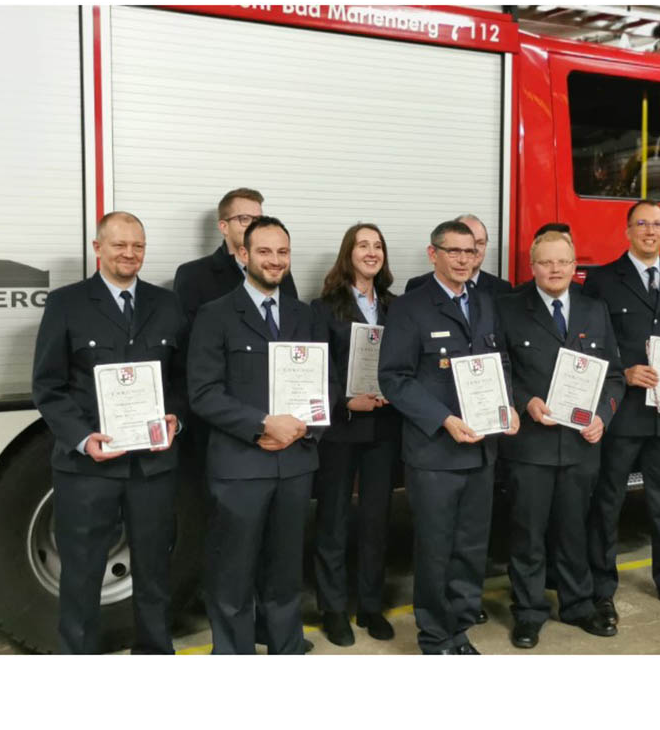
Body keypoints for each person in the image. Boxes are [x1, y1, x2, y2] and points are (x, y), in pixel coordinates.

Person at [31, 211, 185, 654]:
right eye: (119, 245)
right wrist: (82, 438)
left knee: (154, 570)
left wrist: (176, 416)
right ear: (98, 248)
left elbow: (183, 380)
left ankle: (155, 652)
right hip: (87, 467)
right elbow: (47, 386)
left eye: (138, 245)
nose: (129, 254)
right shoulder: (66, 304)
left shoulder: (167, 304)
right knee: (81, 573)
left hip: (153, 465)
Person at [187, 216, 332, 654]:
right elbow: (203, 393)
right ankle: (233, 655)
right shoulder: (215, 316)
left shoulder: (305, 316)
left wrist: (307, 426)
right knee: (232, 570)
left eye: (282, 252)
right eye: (265, 251)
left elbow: (326, 385)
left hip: (295, 462)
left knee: (286, 568)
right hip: (239, 465)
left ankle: (286, 646)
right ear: (243, 254)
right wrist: (262, 425)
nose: (275, 260)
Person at [378, 219, 520, 654]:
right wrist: (443, 419)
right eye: (454, 251)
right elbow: (394, 378)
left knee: (471, 547)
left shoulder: (488, 302)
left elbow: (502, 363)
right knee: (437, 549)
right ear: (433, 253)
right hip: (436, 452)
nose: (463, 259)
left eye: (470, 252)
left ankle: (460, 624)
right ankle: (437, 636)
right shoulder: (410, 307)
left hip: (481, 451)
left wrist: (508, 405)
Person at [497, 230, 625, 649]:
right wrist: (525, 401)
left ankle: (577, 605)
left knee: (575, 531)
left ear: (575, 266)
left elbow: (615, 376)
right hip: (530, 446)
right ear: (532, 267)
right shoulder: (510, 309)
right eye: (546, 262)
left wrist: (603, 417)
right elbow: (500, 371)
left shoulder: (594, 310)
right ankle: (529, 612)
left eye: (563, 262)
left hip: (580, 446)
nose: (555, 270)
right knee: (528, 535)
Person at [582, 200, 660, 625]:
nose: (650, 231)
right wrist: (623, 371)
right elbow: (590, 340)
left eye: (657, 224)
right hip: (621, 411)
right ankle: (602, 590)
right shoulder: (601, 279)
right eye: (642, 224)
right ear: (627, 230)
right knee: (608, 503)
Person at [310, 223, 401, 646]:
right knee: (332, 520)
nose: (371, 252)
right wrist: (345, 401)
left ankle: (369, 606)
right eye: (363, 245)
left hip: (384, 427)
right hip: (341, 429)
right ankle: (333, 609)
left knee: (375, 520)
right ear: (348, 254)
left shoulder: (397, 307)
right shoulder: (323, 307)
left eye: (377, 245)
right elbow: (316, 369)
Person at [173, 187, 299, 323]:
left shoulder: (276, 268)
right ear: (224, 227)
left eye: (258, 219)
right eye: (244, 219)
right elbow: (185, 334)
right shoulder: (193, 274)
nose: (254, 226)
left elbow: (295, 320)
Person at [403, 214, 513, 296]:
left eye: (480, 243)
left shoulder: (502, 289)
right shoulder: (417, 285)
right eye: (456, 249)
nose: (473, 249)